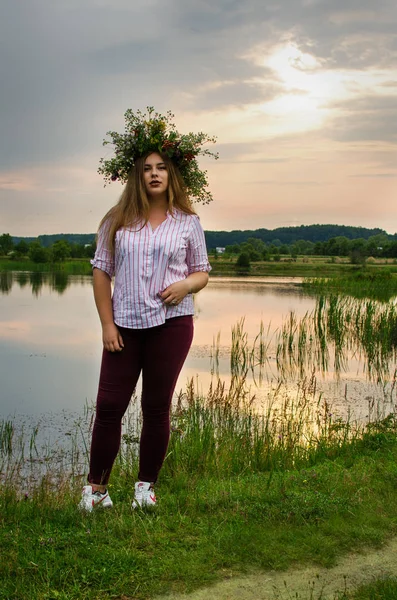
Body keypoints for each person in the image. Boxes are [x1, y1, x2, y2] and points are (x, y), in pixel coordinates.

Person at [79, 108, 217, 511]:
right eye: (146, 169)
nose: (154, 174)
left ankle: (145, 489)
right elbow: (101, 272)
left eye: (161, 168)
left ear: (172, 175)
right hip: (124, 325)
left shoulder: (187, 222)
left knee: (156, 407)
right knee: (108, 407)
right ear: (136, 176)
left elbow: (202, 271)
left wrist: (186, 285)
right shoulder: (116, 220)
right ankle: (96, 491)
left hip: (172, 326)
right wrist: (107, 324)